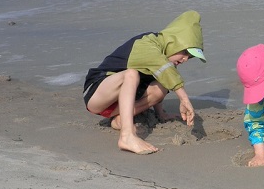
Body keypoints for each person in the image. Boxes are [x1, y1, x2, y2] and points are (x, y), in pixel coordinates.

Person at [83, 10, 206, 155]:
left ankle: (119, 120)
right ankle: (127, 136)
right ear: (174, 41)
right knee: (131, 74)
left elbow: (163, 75)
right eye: (185, 52)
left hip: (119, 103)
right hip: (98, 93)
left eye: (190, 57)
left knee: (162, 85)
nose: (185, 59)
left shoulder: (165, 61)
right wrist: (184, 99)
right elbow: (165, 69)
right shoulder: (147, 43)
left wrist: (161, 114)